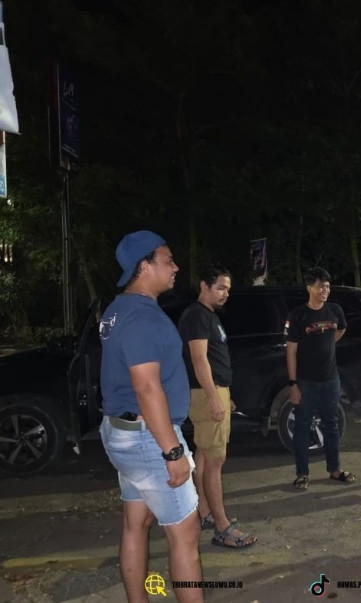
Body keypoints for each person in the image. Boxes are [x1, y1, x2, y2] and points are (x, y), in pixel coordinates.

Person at [98, 230, 203, 603]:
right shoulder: (143, 317)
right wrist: (173, 452)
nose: (176, 267)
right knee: (186, 533)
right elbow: (146, 387)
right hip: (149, 439)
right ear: (144, 266)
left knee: (136, 522)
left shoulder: (117, 310)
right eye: (168, 260)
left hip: (122, 432)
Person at [178, 263, 257, 550]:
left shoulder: (207, 316)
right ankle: (223, 528)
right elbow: (199, 359)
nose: (226, 293)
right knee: (215, 461)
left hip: (213, 391)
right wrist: (213, 397)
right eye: (221, 288)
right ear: (204, 285)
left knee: (203, 454)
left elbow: (213, 358)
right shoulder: (197, 316)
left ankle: (205, 512)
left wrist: (224, 394)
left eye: (228, 289)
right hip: (205, 394)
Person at [285, 266, 356, 490]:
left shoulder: (335, 310)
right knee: (302, 427)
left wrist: (325, 345)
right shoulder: (298, 315)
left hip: (331, 380)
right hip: (306, 381)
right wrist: (293, 384)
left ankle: (334, 469)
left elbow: (340, 330)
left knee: (332, 425)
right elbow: (291, 352)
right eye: (320, 286)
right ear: (309, 288)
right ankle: (302, 474)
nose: (325, 290)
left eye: (327, 286)